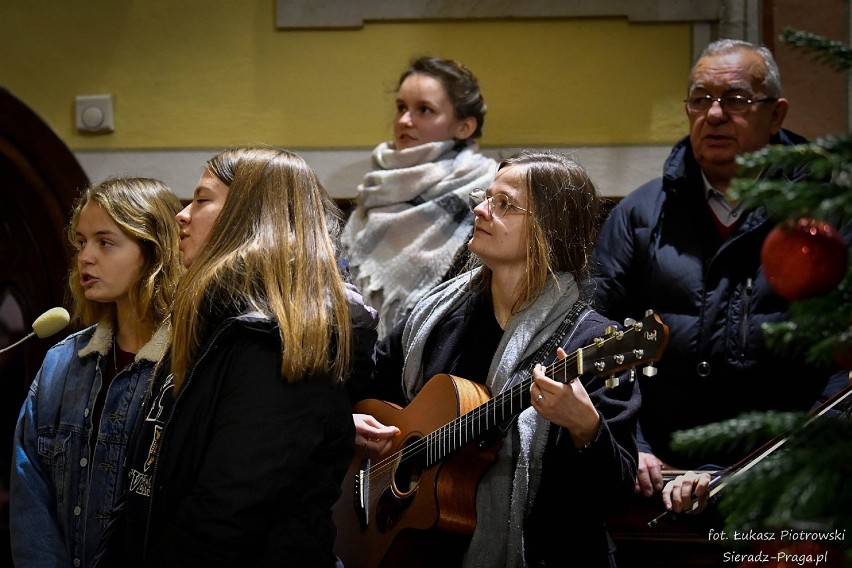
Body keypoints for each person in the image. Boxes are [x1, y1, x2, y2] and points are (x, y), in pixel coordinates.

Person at [349, 150, 641, 567]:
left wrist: (585, 427)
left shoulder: (592, 343)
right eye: (484, 198)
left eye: (503, 203)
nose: (481, 211)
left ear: (550, 228)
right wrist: (353, 424)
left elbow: (614, 494)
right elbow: (369, 388)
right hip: (421, 551)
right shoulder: (436, 317)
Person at [590, 38, 849, 500]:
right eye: (700, 99)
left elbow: (844, 359)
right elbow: (595, 336)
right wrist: (633, 444)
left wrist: (790, 457)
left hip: (783, 481)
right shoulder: (640, 213)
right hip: (655, 475)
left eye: (735, 100)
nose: (713, 115)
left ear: (776, 114)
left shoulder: (828, 216)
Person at [95, 148, 357, 567]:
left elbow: (226, 511)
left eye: (201, 200)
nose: (182, 215)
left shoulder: (273, 341)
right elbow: (149, 482)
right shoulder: (212, 325)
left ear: (250, 217)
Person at [9, 177, 184, 568]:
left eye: (105, 242)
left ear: (154, 252)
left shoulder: (193, 361)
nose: (85, 257)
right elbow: (29, 494)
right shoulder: (61, 362)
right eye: (81, 242)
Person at [341, 55, 497, 338]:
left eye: (424, 110)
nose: (404, 120)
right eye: (401, 107)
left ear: (464, 127)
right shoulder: (377, 187)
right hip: (365, 349)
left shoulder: (486, 193)